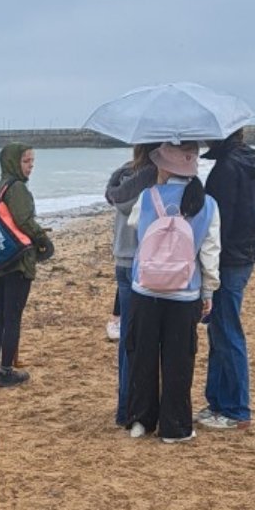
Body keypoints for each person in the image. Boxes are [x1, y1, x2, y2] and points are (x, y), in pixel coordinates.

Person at [125, 142, 220, 444]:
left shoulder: (147, 196)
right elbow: (210, 253)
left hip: (146, 288)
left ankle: (141, 419)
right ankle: (175, 426)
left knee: (143, 355)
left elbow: (134, 229)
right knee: (179, 359)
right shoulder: (208, 203)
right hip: (184, 291)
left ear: (166, 167)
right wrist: (208, 290)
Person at [198, 129, 255, 430]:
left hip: (230, 258)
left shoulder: (226, 169)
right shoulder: (249, 162)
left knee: (226, 331)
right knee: (219, 330)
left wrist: (205, 264)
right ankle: (217, 401)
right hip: (246, 253)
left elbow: (216, 224)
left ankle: (237, 409)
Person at [0, 143, 51, 387]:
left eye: (32, 162)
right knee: (12, 317)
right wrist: (44, 241)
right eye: (26, 161)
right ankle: (6, 370)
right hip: (17, 261)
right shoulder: (17, 188)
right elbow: (24, 221)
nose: (31, 167)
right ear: (13, 162)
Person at [104, 145, 157, 425]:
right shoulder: (152, 179)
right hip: (141, 262)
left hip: (121, 259)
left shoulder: (122, 177)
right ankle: (129, 408)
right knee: (140, 337)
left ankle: (124, 406)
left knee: (128, 337)